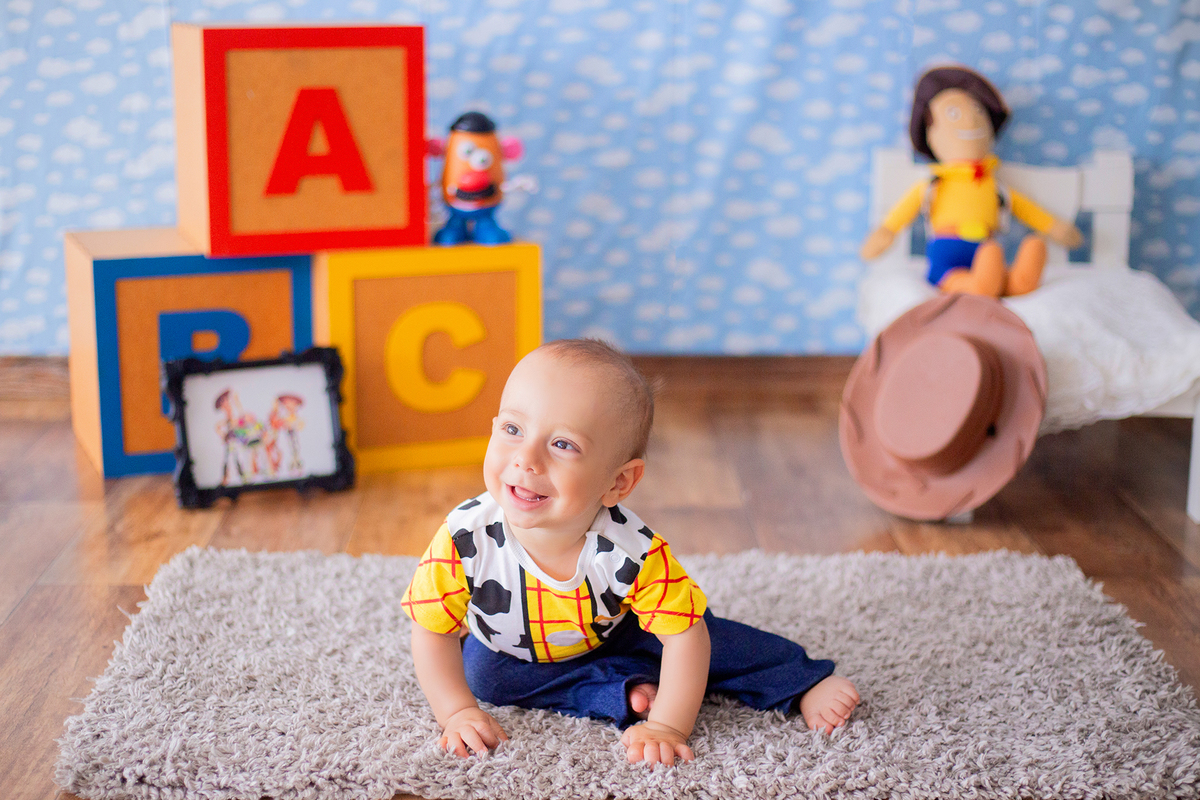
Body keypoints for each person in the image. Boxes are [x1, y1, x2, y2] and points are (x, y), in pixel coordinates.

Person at [402, 339, 860, 766]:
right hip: (514, 646)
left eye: (563, 444)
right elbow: (432, 631)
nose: (526, 458)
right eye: (513, 428)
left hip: (621, 626)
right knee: (484, 679)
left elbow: (685, 637)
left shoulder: (630, 554)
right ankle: (622, 690)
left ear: (618, 482)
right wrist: (457, 712)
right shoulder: (466, 536)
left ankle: (802, 681)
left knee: (713, 644)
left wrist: (667, 726)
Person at [860, 64, 1083, 297]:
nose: (970, 121)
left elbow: (1028, 210)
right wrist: (885, 232)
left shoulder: (995, 187)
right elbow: (900, 215)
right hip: (948, 258)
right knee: (975, 269)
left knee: (998, 256)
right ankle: (978, 286)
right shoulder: (933, 185)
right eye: (954, 114)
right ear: (929, 132)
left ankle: (1017, 282)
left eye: (977, 110)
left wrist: (1054, 228)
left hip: (986, 249)